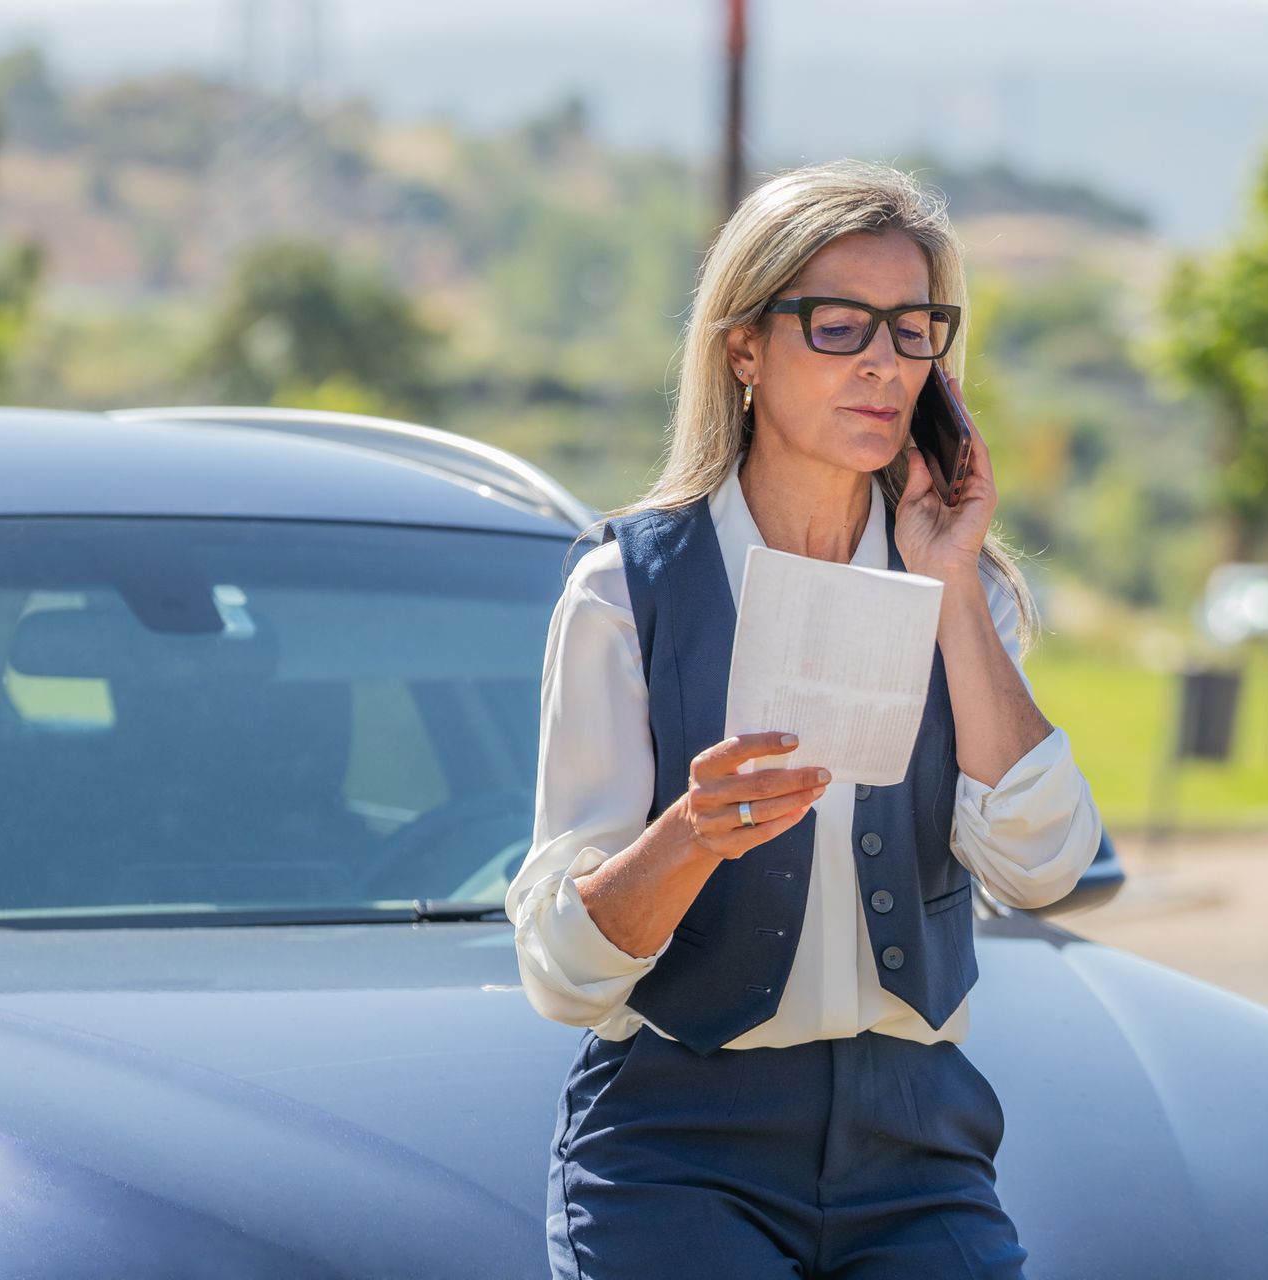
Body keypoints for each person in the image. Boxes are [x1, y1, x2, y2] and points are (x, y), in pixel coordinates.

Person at [504, 158, 1103, 1279]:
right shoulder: (626, 588)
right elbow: (561, 973)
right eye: (838, 325)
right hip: (679, 1146)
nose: (885, 360)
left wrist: (953, 584)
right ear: (744, 349)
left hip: (919, 1141)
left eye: (915, 327)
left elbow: (1044, 864)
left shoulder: (961, 585)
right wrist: (692, 832)